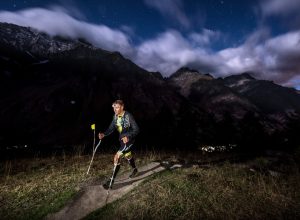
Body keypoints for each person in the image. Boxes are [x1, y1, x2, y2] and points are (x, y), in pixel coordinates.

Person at [99, 99, 139, 189]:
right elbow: (111, 128)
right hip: (122, 141)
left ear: (122, 107)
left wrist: (128, 136)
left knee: (117, 157)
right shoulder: (115, 116)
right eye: (114, 107)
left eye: (117, 107)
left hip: (129, 141)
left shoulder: (128, 116)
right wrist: (104, 134)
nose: (115, 109)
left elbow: (136, 129)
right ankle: (135, 170)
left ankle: (111, 181)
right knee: (128, 156)